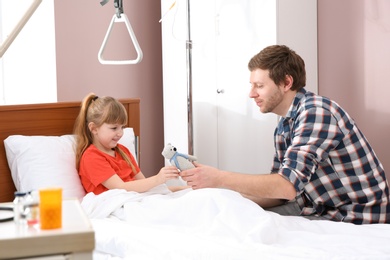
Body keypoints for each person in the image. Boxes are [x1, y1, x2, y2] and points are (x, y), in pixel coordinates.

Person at [180, 45, 390, 224]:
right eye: (252, 85)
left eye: (259, 86)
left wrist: (219, 178)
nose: (251, 93)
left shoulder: (316, 112)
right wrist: (223, 196)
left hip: (355, 217)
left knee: (248, 232)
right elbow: (278, 192)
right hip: (318, 208)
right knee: (232, 217)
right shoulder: (285, 124)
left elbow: (286, 187)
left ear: (286, 83)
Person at [74, 93, 184, 195]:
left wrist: (184, 189)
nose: (120, 133)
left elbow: (146, 186)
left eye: (122, 127)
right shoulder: (92, 157)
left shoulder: (123, 151)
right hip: (120, 202)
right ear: (94, 128)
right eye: (114, 128)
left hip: (138, 198)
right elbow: (120, 187)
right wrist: (158, 178)